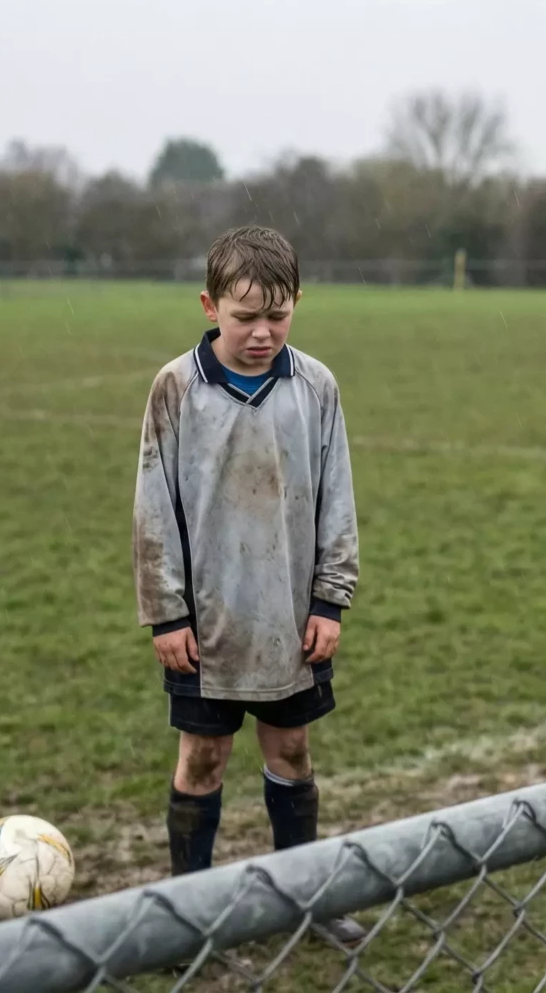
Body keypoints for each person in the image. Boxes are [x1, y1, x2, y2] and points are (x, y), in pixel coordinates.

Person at [132, 225, 366, 945]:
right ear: (209, 305)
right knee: (202, 758)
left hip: (291, 617)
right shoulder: (176, 387)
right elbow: (152, 506)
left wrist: (331, 596)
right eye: (244, 317)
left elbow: (337, 496)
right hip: (206, 624)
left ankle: (305, 901)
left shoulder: (316, 386)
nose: (262, 332)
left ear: (297, 303)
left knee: (291, 750)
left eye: (278, 314)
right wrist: (166, 613)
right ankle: (186, 920)